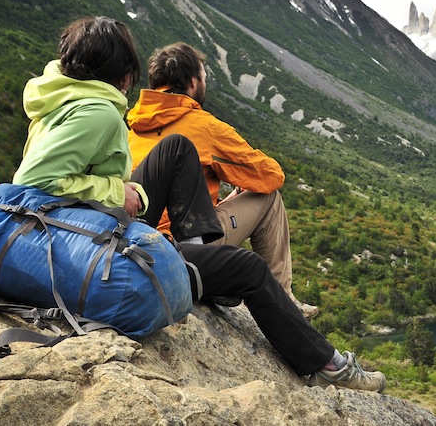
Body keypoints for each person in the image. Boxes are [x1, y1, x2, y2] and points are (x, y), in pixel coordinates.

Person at [11, 16, 384, 392]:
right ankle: (325, 365)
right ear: (124, 73)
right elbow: (32, 181)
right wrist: (117, 192)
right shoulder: (101, 111)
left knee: (176, 148)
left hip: (86, 233)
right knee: (251, 268)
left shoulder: (70, 104)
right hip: (103, 248)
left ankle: (195, 252)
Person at [126, 42, 317, 319]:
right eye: (203, 78)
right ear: (193, 82)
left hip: (137, 238)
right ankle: (284, 299)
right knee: (269, 198)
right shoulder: (204, 125)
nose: (204, 83)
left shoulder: (132, 123)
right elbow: (270, 176)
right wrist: (241, 183)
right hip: (184, 247)